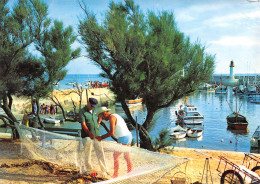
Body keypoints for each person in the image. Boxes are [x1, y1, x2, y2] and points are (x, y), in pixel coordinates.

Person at [96, 107, 132, 178]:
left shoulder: (111, 118)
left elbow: (111, 132)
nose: (102, 119)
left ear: (104, 114)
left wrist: (101, 137)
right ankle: (129, 173)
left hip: (123, 138)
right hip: (128, 136)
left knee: (116, 156)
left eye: (101, 117)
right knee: (126, 156)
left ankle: (115, 175)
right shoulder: (116, 115)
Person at [78, 98, 108, 175]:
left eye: (94, 106)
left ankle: (104, 169)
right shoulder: (82, 112)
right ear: (88, 102)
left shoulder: (95, 111)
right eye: (92, 105)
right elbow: (83, 124)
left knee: (100, 152)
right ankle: (90, 170)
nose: (93, 107)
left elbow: (96, 125)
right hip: (87, 137)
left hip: (97, 135)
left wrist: (99, 121)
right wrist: (89, 133)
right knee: (87, 154)